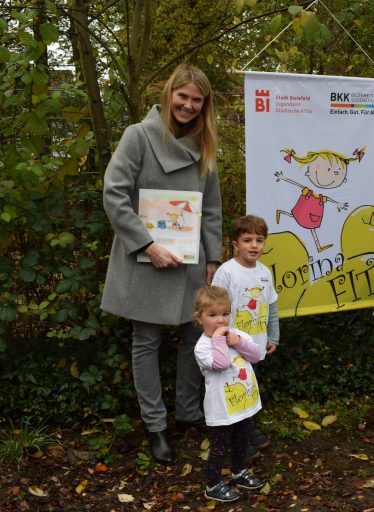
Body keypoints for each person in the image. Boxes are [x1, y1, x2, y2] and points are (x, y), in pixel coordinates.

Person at [101, 63, 222, 464]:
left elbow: (211, 211)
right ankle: (156, 427)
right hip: (145, 259)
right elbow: (114, 195)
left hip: (191, 261)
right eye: (182, 96)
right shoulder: (138, 136)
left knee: (194, 338)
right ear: (170, 94)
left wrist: (214, 258)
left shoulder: (205, 147)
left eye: (196, 99)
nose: (188, 105)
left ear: (204, 105)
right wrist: (148, 245)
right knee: (147, 342)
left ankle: (188, 414)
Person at [212, 215, 278, 454]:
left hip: (254, 347)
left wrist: (274, 336)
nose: (254, 245)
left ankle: (247, 429)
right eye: (247, 240)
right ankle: (235, 439)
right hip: (230, 349)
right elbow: (214, 309)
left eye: (259, 240)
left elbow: (271, 306)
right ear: (235, 244)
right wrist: (219, 341)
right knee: (234, 391)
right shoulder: (226, 272)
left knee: (250, 389)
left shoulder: (265, 273)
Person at [192, 286, 265, 503]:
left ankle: (239, 472)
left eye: (225, 314)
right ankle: (212, 484)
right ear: (199, 318)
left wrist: (238, 341)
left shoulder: (237, 335)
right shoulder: (203, 347)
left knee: (242, 440)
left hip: (243, 403)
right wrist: (218, 339)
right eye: (213, 315)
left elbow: (256, 356)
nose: (221, 320)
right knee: (219, 447)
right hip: (221, 409)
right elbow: (221, 364)